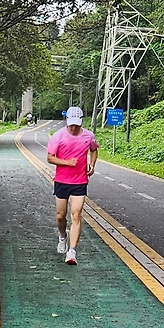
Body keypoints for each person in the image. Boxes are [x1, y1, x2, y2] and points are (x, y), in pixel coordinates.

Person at [46, 106, 98, 265]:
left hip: (79, 182)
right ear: (67, 121)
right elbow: (50, 158)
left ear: (81, 122)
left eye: (77, 124)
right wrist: (67, 163)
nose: (74, 128)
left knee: (76, 215)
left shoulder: (89, 136)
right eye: (71, 125)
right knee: (60, 215)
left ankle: (72, 252)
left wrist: (92, 164)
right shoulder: (59, 135)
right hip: (62, 181)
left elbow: (94, 150)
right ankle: (62, 236)